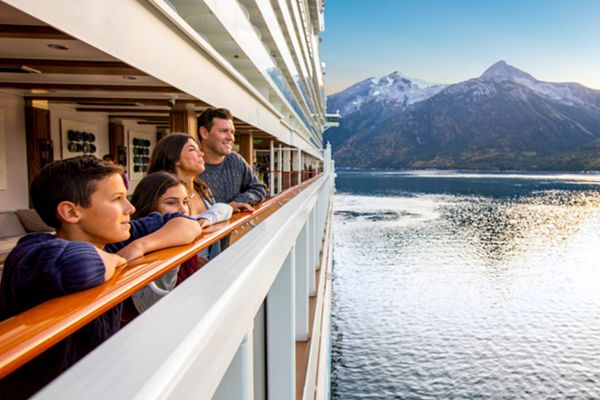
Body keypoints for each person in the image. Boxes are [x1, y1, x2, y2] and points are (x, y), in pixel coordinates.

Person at [0, 156, 205, 399]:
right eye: (117, 199)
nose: (130, 209)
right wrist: (118, 260)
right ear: (70, 211)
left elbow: (186, 223)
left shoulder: (112, 237)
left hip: (94, 384)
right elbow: (83, 266)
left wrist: (139, 246)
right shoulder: (33, 253)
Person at [129, 172, 232, 313]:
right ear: (149, 206)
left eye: (185, 202)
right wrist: (172, 254)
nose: (183, 209)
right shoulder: (142, 243)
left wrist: (206, 220)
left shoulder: (185, 227)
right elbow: (151, 308)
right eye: (171, 203)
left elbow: (225, 208)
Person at [197, 107, 267, 213]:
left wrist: (238, 202)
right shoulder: (191, 166)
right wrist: (226, 209)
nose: (231, 138)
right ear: (204, 133)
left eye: (232, 132)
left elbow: (259, 188)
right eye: (224, 131)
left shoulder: (235, 160)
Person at [147, 133, 213, 215]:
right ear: (175, 158)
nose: (201, 154)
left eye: (198, 149)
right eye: (192, 150)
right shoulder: (160, 194)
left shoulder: (203, 189)